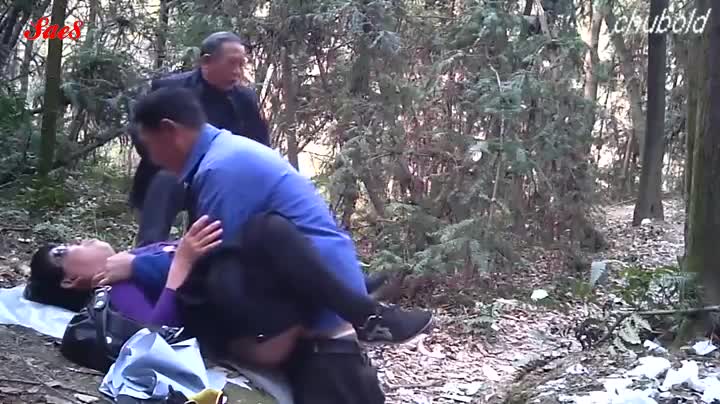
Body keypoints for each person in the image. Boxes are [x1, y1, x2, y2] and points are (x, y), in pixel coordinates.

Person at [129, 86, 433, 403]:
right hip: (309, 301)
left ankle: (367, 315)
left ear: (169, 131)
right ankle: (366, 313)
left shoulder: (222, 169)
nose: (153, 160)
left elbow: (206, 257)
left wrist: (136, 265)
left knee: (229, 262)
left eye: (149, 148)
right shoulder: (223, 155)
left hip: (316, 311)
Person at [130, 31, 269, 247]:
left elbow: (259, 145)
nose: (237, 71)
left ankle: (204, 261)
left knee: (211, 238)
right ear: (206, 61)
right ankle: (145, 255)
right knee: (165, 184)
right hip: (170, 171)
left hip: (219, 177)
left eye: (242, 64)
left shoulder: (244, 99)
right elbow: (140, 131)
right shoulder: (170, 89)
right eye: (231, 63)